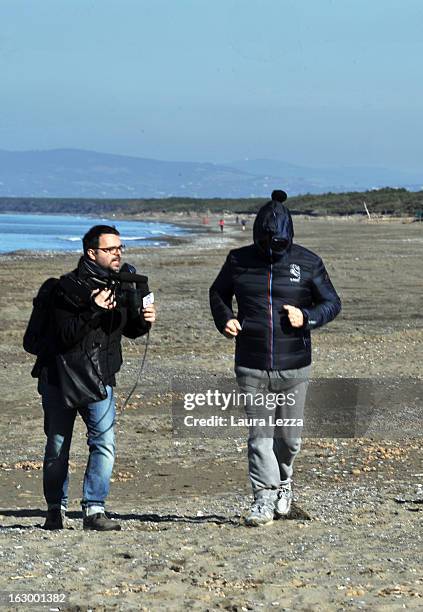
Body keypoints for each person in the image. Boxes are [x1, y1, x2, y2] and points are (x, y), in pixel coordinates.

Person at [209, 190, 341, 526]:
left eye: (279, 244)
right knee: (259, 438)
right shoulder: (238, 260)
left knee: (289, 440)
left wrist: (307, 318)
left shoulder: (308, 262)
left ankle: (284, 484)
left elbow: (332, 303)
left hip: (295, 366)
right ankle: (263, 500)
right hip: (251, 365)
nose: (272, 249)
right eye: (267, 243)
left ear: (288, 236)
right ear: (257, 236)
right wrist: (225, 319)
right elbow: (217, 293)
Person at [33, 225, 156, 531]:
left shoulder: (123, 284)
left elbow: (127, 330)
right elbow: (63, 336)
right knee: (58, 447)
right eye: (110, 249)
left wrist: (144, 321)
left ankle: (94, 510)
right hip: (60, 379)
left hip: (101, 378)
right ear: (91, 253)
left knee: (104, 444)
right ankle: (55, 509)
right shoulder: (66, 288)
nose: (118, 254)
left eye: (120, 248)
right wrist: (92, 308)